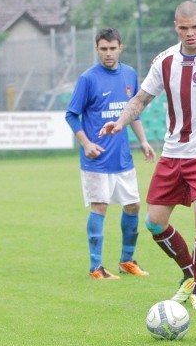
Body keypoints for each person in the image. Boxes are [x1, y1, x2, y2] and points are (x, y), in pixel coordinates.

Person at [99, 1, 196, 309]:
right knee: (154, 222)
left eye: (195, 27)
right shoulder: (164, 61)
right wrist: (120, 122)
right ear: (175, 27)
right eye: (183, 28)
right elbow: (141, 99)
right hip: (173, 153)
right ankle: (190, 272)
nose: (190, 33)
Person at [65, 27, 156, 280]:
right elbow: (71, 114)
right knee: (100, 206)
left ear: (120, 48)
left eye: (112, 48)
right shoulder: (88, 79)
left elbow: (133, 111)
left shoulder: (129, 74)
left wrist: (144, 141)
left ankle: (127, 261)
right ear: (97, 49)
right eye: (103, 49)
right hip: (97, 158)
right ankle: (96, 267)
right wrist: (86, 144)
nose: (108, 53)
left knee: (133, 205)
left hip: (122, 158)